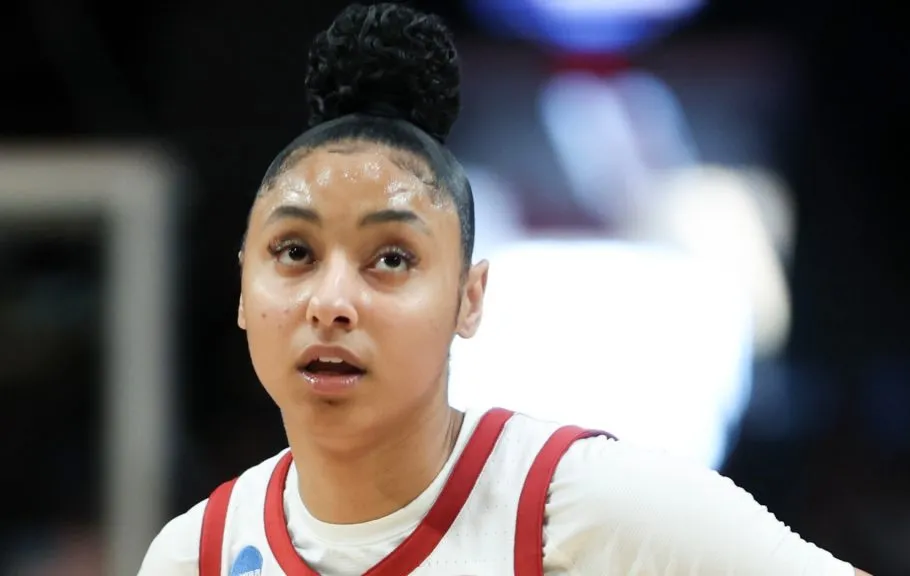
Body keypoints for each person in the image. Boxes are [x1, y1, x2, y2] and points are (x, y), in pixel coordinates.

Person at [138, 3, 871, 575]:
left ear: (469, 299)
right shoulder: (194, 554)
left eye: (391, 259)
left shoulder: (592, 502)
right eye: (294, 252)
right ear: (243, 290)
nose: (333, 302)